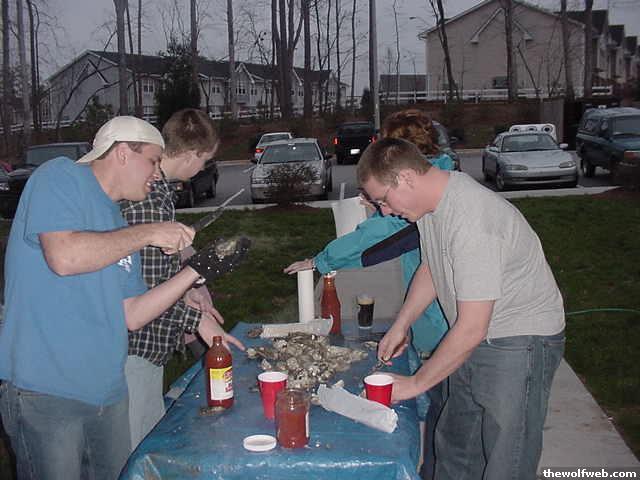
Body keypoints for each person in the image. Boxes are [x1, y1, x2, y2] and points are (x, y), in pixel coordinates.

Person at [0, 116, 229, 480]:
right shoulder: (59, 177)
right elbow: (64, 257)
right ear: (122, 153)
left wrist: (195, 272)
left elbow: (133, 314)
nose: (157, 173)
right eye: (152, 161)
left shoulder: (118, 222)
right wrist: (149, 233)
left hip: (108, 392)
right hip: (47, 392)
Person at [357, 137, 566, 480]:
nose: (384, 211)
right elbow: (433, 268)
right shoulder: (431, 206)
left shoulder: (473, 218)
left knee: (506, 459)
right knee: (456, 446)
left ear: (406, 178)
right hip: (475, 334)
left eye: (383, 200)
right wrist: (401, 324)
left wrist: (415, 384)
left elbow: (472, 327)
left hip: (519, 340)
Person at [284, 109, 451, 479]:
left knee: (440, 406)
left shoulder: (429, 199)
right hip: (429, 311)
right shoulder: (437, 177)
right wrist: (382, 204)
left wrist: (321, 260)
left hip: (444, 321)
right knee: (436, 402)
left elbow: (376, 237)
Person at [120, 108, 244, 451]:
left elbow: (165, 263)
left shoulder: (158, 192)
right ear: (191, 155)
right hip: (137, 347)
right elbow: (148, 288)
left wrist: (194, 286)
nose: (202, 169)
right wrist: (197, 319)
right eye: (204, 160)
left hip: (146, 343)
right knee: (138, 448)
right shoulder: (148, 201)